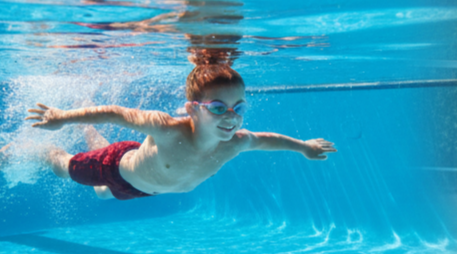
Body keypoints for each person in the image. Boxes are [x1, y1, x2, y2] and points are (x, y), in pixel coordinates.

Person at [18, 64, 335, 200]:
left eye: (239, 108)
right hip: (116, 166)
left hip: (142, 188)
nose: (231, 118)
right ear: (192, 108)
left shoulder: (236, 143)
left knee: (102, 194)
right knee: (64, 168)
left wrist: (303, 147)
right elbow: (116, 113)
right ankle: (46, 152)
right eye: (218, 108)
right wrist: (62, 117)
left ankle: (88, 135)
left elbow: (268, 140)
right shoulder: (166, 129)